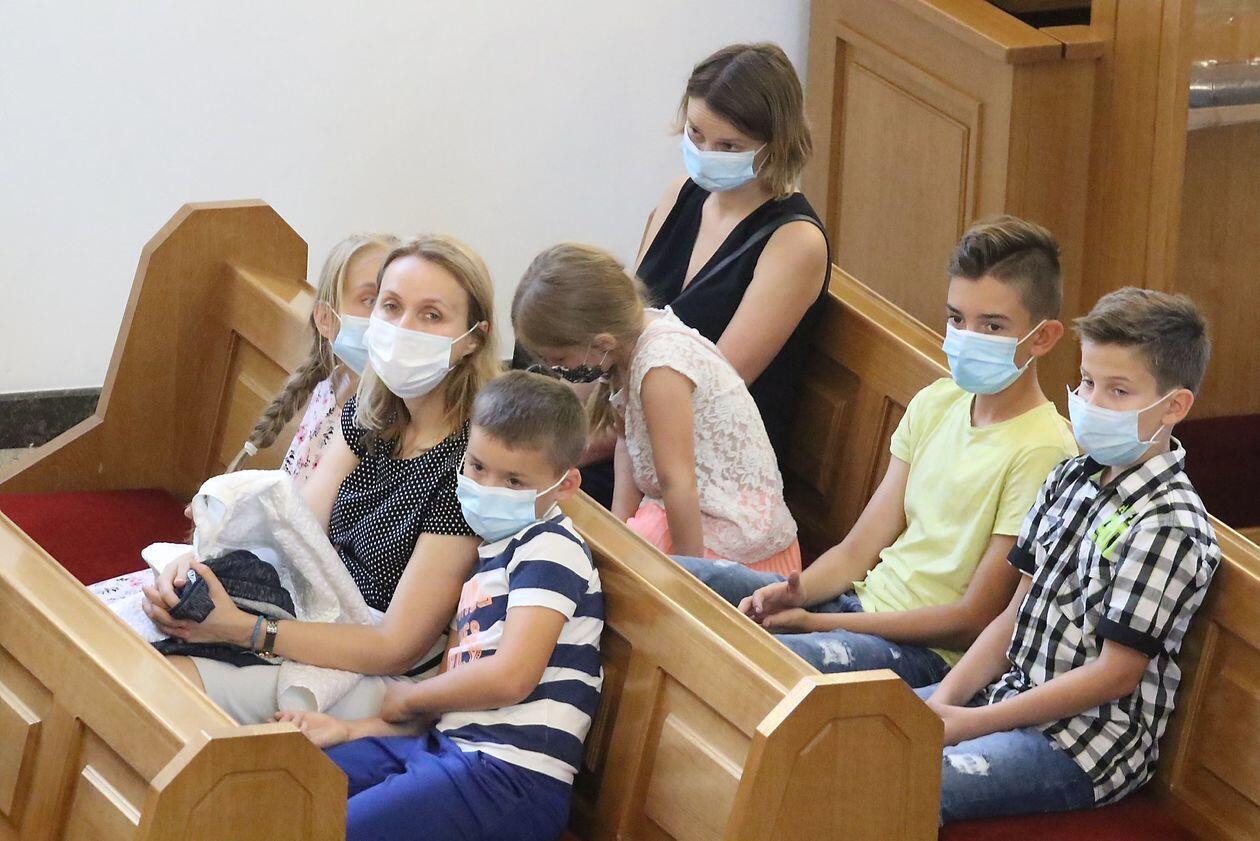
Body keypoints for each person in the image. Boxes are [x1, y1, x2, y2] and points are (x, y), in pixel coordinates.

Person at [679, 217, 1078, 686]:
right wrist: (795, 593)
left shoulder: (1044, 449)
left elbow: (972, 619)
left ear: (1043, 337)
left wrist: (817, 623)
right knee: (677, 581)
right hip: (858, 607)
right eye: (956, 319)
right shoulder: (937, 401)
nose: (967, 337)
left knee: (756, 663)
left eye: (992, 325)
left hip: (926, 652)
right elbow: (856, 552)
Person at [142, 235, 500, 723]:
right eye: (390, 307)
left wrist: (246, 630)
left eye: (431, 315)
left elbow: (396, 646)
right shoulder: (370, 413)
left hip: (378, 673)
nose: (403, 328)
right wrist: (199, 566)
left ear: (474, 337)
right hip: (308, 619)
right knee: (127, 637)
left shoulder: (472, 463)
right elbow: (294, 535)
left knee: (162, 685)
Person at [921, 287, 1219, 824]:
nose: (1092, 402)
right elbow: (1013, 616)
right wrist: (943, 704)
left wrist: (967, 724)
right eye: (1086, 382)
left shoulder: (1168, 522)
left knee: (900, 779)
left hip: (1083, 745)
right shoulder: (1070, 477)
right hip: (1009, 694)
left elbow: (1114, 675)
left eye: (1118, 391)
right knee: (855, 731)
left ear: (1174, 406)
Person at [277, 371, 602, 841]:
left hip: (510, 776)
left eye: (514, 481)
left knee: (329, 829)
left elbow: (511, 677)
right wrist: (350, 730)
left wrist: (413, 696)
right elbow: (452, 703)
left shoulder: (551, 547)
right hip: (448, 749)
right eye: (477, 466)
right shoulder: (488, 554)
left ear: (565, 485)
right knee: (288, 786)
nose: (487, 487)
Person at [578, 42, 830, 507]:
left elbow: (710, 395)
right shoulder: (681, 193)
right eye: (695, 134)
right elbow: (621, 324)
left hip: (702, 470)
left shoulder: (795, 242)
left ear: (777, 144)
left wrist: (567, 450)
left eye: (729, 146)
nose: (706, 153)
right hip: (628, 436)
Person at [87, 233, 397, 608]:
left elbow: (312, 536)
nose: (388, 320)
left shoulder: (393, 417)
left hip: (310, 586)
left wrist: (236, 531)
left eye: (392, 302)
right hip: (278, 558)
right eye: (372, 301)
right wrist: (228, 517)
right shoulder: (330, 388)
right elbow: (294, 498)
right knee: (106, 606)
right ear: (326, 319)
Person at [515, 243, 800, 574]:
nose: (557, 371)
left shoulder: (660, 367)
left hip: (728, 537)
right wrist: (617, 532)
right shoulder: (623, 348)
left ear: (602, 342)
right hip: (678, 510)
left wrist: (689, 582)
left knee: (603, 567)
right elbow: (628, 444)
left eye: (559, 360)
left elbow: (678, 483)